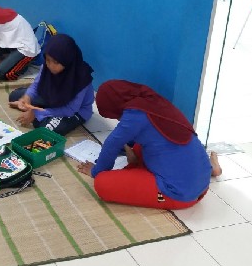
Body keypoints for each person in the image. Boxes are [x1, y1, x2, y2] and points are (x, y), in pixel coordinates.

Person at [77, 80, 222, 210]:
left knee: (102, 183)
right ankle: (211, 168)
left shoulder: (134, 116)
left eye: (116, 116)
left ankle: (162, 192)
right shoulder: (149, 102)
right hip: (202, 181)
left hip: (177, 195)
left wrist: (96, 171)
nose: (119, 120)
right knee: (141, 144)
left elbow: (111, 144)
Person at [8, 34, 94, 136]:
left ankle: (39, 112)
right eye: (47, 60)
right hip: (53, 97)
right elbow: (36, 85)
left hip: (75, 111)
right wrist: (27, 97)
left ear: (67, 60)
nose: (50, 65)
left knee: (47, 129)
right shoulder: (47, 65)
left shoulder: (81, 78)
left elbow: (70, 110)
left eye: (56, 62)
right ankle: (40, 111)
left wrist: (36, 113)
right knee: (15, 96)